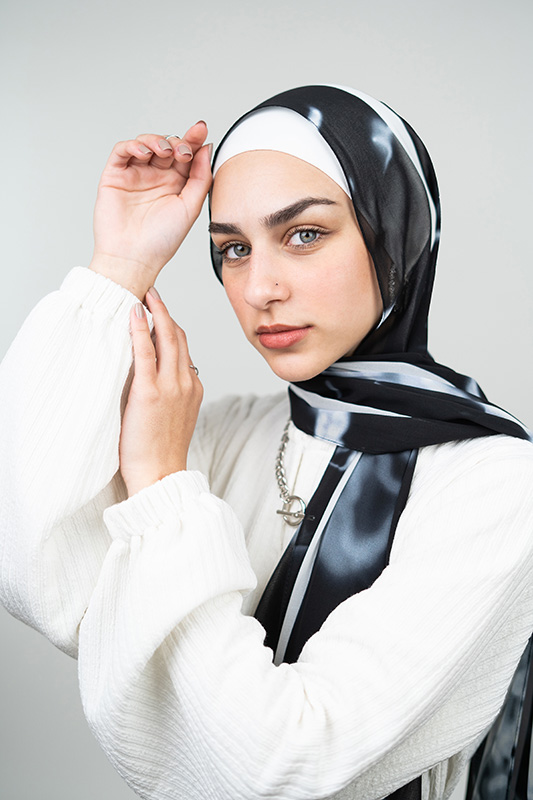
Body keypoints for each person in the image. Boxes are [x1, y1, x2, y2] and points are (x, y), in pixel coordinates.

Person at [1, 85, 532, 800]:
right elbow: (42, 568)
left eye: (304, 234)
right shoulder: (228, 437)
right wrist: (119, 267)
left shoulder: (495, 485)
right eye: (233, 249)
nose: (259, 289)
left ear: (395, 231)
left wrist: (159, 484)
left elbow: (288, 766)